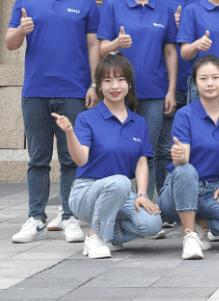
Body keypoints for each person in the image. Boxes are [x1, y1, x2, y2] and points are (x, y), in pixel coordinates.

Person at [7, 0, 99, 244]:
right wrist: (21, 30)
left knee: (71, 158)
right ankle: (35, 217)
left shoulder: (86, 1)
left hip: (74, 90)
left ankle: (70, 216)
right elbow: (9, 42)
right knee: (38, 157)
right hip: (36, 90)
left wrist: (94, 84)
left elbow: (93, 44)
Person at [53, 54, 163, 258]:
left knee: (153, 224)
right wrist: (69, 133)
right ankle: (94, 236)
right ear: (99, 85)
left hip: (122, 193)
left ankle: (108, 235)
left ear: (129, 83)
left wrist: (142, 194)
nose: (115, 86)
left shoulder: (139, 123)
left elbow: (142, 162)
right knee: (120, 182)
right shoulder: (87, 118)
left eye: (121, 79)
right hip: (86, 192)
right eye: (108, 80)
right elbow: (81, 160)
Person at [98, 0, 178, 201]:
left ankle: (145, 205)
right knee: (117, 149)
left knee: (148, 151)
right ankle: (118, 204)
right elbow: (101, 48)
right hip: (118, 93)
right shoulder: (112, 7)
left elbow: (170, 52)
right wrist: (117, 43)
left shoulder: (164, 9)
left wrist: (171, 90)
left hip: (154, 92)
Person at [158, 55, 219, 259]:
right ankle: (189, 235)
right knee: (186, 170)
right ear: (195, 83)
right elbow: (181, 163)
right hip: (179, 189)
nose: (210, 83)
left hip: (211, 190)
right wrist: (178, 157)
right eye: (203, 78)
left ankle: (202, 224)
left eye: (215, 77)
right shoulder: (185, 115)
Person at [153, 0, 205, 220]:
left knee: (199, 145)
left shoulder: (205, 1)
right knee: (166, 148)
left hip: (201, 86)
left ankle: (196, 203)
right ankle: (167, 207)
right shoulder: (155, 1)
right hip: (166, 86)